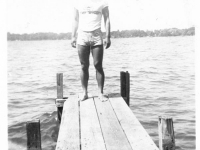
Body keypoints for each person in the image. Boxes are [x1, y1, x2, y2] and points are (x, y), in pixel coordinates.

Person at [71, 0, 111, 101]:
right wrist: (73, 36)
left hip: (97, 35)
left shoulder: (103, 2)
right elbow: (75, 19)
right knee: (84, 66)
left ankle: (100, 93)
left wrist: (108, 36)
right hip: (82, 36)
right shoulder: (78, 2)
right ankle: (85, 93)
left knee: (98, 65)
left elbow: (107, 19)